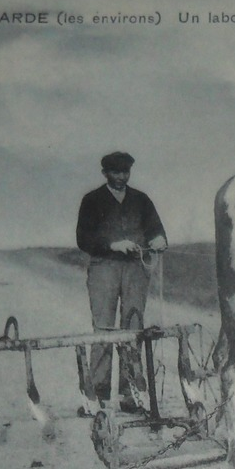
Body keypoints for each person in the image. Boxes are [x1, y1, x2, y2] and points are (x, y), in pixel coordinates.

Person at [75, 150, 167, 413]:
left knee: (133, 328)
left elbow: (156, 230)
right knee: (104, 329)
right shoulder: (91, 200)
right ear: (105, 173)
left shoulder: (141, 200)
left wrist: (159, 239)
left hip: (136, 269)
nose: (121, 177)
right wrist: (113, 244)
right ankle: (97, 393)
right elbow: (83, 239)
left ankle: (131, 393)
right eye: (116, 172)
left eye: (125, 172)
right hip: (104, 267)